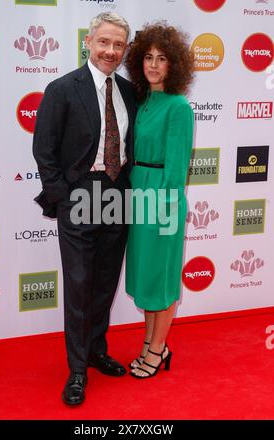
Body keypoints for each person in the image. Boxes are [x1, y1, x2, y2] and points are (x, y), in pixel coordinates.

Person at [33, 12, 136, 404]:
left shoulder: (128, 92)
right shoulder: (62, 89)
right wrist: (62, 198)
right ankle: (76, 370)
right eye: (104, 42)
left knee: (104, 283)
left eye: (118, 45)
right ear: (88, 42)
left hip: (117, 193)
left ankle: (95, 351)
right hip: (79, 195)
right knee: (78, 286)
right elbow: (44, 150)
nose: (111, 51)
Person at [125, 22, 194, 378]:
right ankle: (151, 342)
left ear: (174, 64)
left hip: (162, 200)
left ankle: (158, 349)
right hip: (138, 194)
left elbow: (177, 167)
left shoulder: (178, 107)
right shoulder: (144, 100)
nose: (153, 64)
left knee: (163, 278)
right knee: (148, 277)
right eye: (148, 57)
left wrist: (164, 212)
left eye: (162, 58)